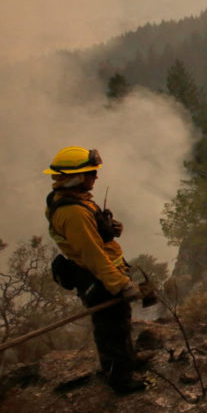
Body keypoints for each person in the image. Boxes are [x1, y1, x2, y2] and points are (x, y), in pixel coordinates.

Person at [43, 146, 147, 394]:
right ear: (75, 176)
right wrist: (120, 284)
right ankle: (120, 380)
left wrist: (110, 229)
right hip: (99, 278)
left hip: (105, 273)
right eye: (90, 173)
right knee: (110, 328)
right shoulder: (74, 212)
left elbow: (93, 236)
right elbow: (92, 255)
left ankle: (128, 360)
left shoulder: (74, 199)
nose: (95, 177)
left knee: (121, 321)